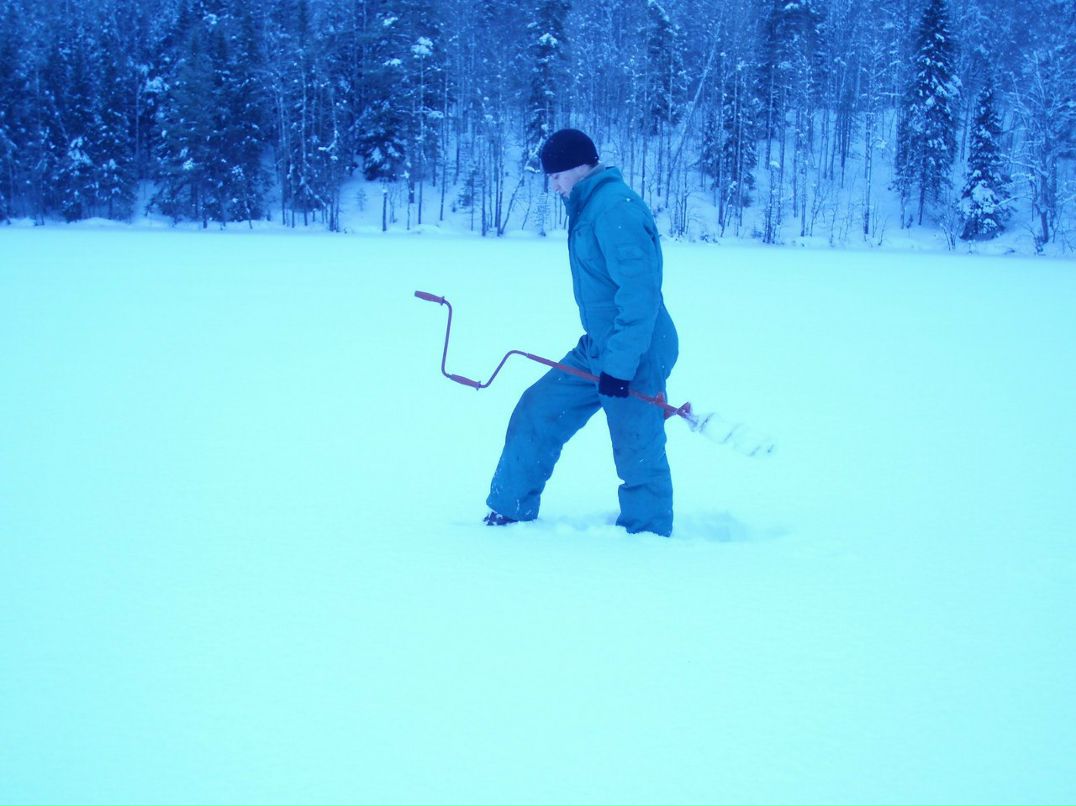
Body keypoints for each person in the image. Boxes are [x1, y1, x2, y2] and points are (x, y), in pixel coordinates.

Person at [484, 128, 679, 536]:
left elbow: (640, 295)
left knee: (636, 445)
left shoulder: (614, 210)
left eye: (556, 176)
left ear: (580, 167)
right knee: (538, 408)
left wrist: (622, 367)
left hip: (637, 349)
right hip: (599, 345)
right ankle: (508, 509)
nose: (552, 185)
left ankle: (648, 535)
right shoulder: (588, 207)